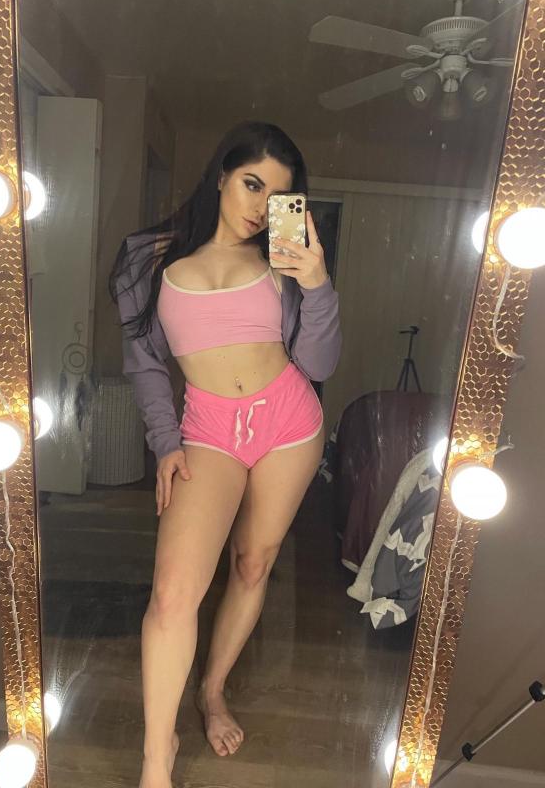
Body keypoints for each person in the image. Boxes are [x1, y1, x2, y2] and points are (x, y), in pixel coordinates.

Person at [110, 120, 342, 788]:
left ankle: (212, 691)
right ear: (221, 175)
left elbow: (319, 363)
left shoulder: (284, 262)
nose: (259, 207)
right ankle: (158, 757)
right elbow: (145, 365)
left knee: (252, 563)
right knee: (172, 594)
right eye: (251, 184)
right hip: (207, 429)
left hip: (289, 422)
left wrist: (319, 284)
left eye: (277, 196)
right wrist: (164, 444)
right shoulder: (147, 259)